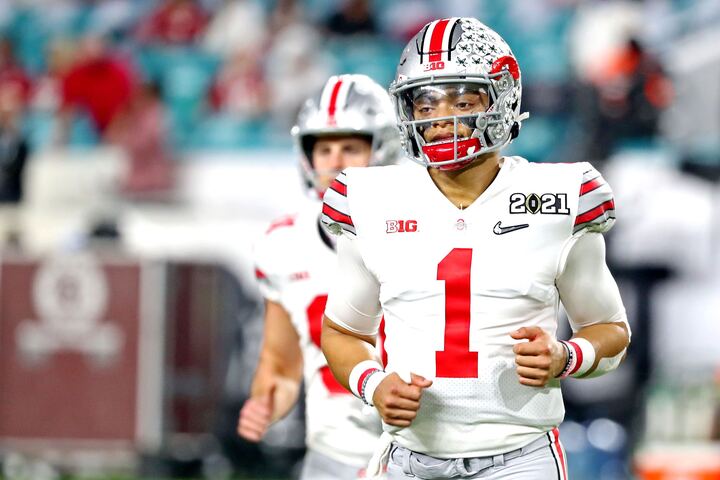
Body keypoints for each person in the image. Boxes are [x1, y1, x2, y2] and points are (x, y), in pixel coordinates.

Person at [320, 17, 631, 480]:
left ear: (502, 99)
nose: (441, 119)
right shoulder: (368, 199)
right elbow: (343, 332)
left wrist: (565, 356)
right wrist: (374, 384)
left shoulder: (559, 197)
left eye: (463, 101)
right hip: (409, 459)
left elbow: (610, 330)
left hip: (519, 459)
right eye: (425, 104)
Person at [237, 74, 401, 480]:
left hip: (418, 455)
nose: (335, 161)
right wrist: (266, 401)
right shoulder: (283, 244)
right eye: (324, 149)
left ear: (384, 147)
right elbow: (280, 365)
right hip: (334, 455)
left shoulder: (425, 229)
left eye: (350, 147)